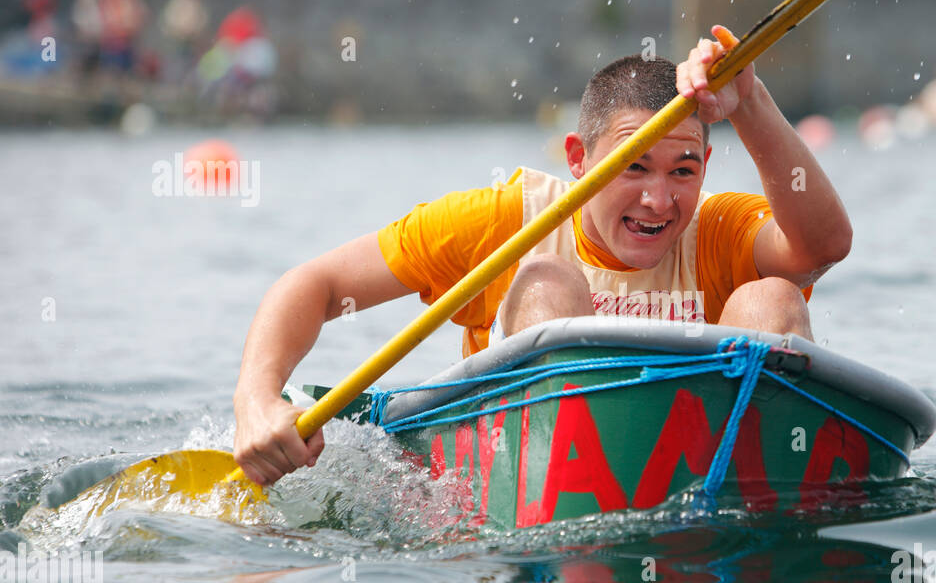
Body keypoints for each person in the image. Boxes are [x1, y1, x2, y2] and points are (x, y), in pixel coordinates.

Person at [232, 26, 853, 486]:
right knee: (548, 281)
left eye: (682, 170)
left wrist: (751, 103)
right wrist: (258, 402)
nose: (659, 199)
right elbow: (313, 282)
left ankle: (770, 493)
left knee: (772, 295)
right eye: (632, 165)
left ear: (705, 168)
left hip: (707, 478)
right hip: (531, 486)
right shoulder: (506, 220)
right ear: (579, 158)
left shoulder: (718, 226)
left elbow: (822, 248)